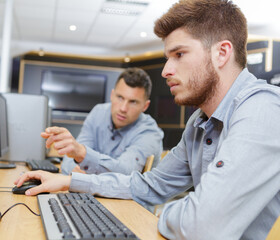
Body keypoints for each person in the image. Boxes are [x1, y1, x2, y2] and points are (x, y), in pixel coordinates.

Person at [15, 0, 280, 239]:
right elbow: (151, 184)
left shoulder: (263, 109)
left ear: (221, 53)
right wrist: (71, 182)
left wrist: (160, 215)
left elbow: (203, 227)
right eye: (167, 58)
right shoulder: (200, 122)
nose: (166, 70)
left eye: (179, 54)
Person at [42, 68, 164, 175]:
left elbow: (126, 172)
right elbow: (71, 157)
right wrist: (74, 169)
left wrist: (82, 154)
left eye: (133, 102)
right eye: (120, 97)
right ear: (112, 95)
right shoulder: (98, 112)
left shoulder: (150, 133)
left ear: (145, 106)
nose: (123, 108)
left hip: (129, 200)